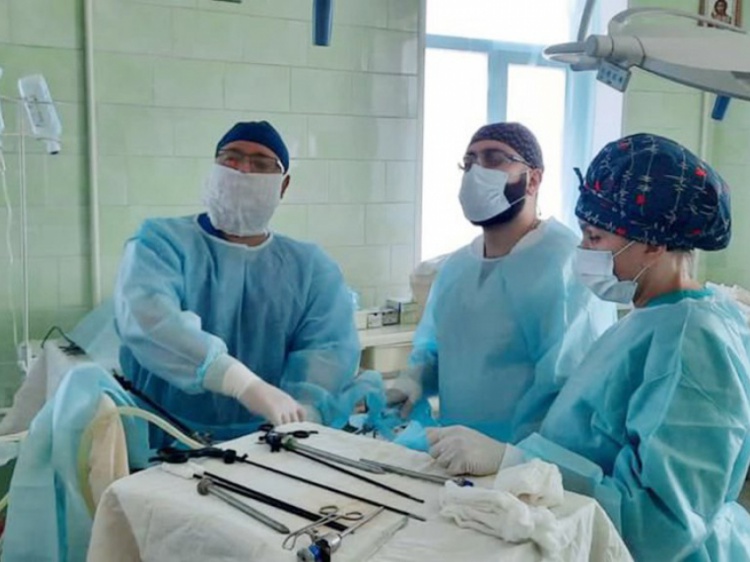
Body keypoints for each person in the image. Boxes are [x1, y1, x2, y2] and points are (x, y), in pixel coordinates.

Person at [427, 133, 750, 560]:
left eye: (595, 238)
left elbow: (662, 524)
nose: (581, 250)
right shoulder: (649, 318)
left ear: (654, 244)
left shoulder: (692, 342)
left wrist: (518, 464)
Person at [114, 121, 363, 447]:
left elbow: (327, 351)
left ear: (283, 185)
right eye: (231, 158)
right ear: (214, 168)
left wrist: (303, 412)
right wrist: (240, 382)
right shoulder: (161, 243)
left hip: (267, 444)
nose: (243, 169)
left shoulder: (311, 269)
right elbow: (150, 320)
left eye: (261, 164)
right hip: (164, 436)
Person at [386, 122, 616, 445]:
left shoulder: (567, 267)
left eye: (494, 159)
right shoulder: (457, 268)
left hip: (532, 465)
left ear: (533, 179)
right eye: (469, 162)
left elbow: (570, 392)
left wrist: (516, 458)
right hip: (453, 455)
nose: (476, 172)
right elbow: (441, 351)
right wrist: (414, 379)